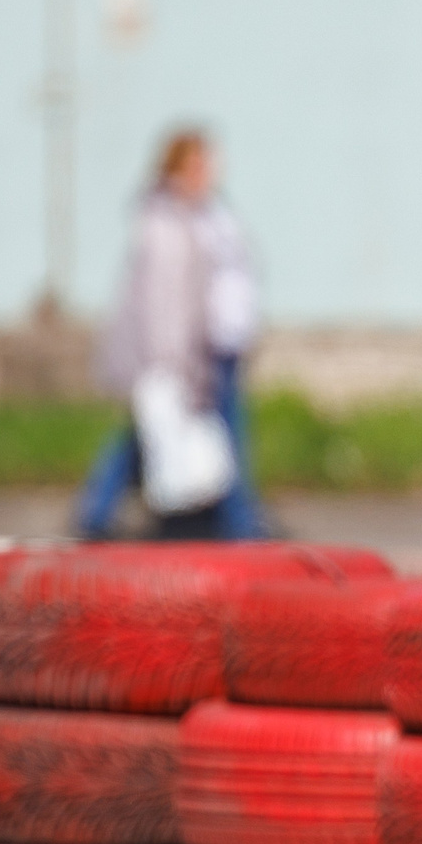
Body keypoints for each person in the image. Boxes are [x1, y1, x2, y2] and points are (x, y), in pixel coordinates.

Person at [75, 127, 268, 540]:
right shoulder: (166, 222)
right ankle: (237, 525)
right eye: (200, 164)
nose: (210, 173)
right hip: (184, 353)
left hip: (216, 343)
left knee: (160, 436)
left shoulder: (208, 214)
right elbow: (164, 302)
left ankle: (101, 510)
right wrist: (175, 362)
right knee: (187, 433)